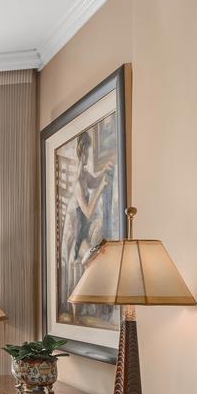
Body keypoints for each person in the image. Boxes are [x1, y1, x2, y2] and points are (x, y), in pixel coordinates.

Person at [60, 130, 115, 322]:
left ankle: (87, 308)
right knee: (86, 261)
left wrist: (104, 171)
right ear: (83, 151)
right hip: (74, 233)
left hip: (82, 229)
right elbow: (88, 211)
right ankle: (76, 312)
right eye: (89, 151)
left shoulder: (84, 174)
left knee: (92, 260)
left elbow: (93, 180)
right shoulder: (76, 183)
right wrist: (101, 189)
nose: (90, 155)